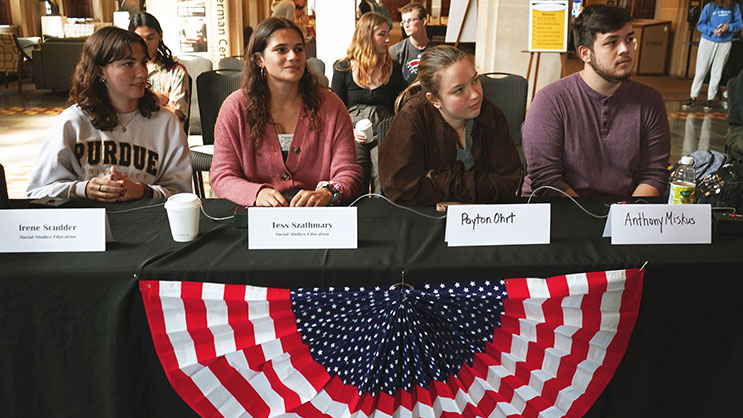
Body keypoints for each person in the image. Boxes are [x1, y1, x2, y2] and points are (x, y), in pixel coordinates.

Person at [210, 17, 362, 207]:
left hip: (318, 218)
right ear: (259, 59)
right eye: (281, 50)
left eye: (298, 49)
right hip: (258, 217)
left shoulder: (331, 106)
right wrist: (257, 193)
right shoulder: (235, 108)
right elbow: (221, 175)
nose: (293, 56)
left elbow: (349, 172)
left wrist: (327, 192)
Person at [522, 4, 670, 198]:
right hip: (559, 208)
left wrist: (628, 218)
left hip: (623, 211)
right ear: (585, 53)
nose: (625, 49)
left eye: (629, 39)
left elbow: (654, 173)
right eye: (612, 42)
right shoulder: (551, 101)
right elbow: (546, 178)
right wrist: (591, 222)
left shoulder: (650, 100)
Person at [26, 27, 192, 201]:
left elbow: (184, 195)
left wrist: (143, 191)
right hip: (87, 223)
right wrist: (84, 189)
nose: (142, 72)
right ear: (100, 71)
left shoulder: (166, 122)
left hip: (147, 221)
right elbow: (37, 191)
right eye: (128, 63)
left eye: (143, 62)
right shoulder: (74, 121)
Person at [378, 45, 523, 206]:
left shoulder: (490, 113)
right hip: (426, 219)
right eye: (459, 90)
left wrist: (440, 180)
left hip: (483, 219)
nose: (475, 95)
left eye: (475, 80)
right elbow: (399, 188)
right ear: (434, 100)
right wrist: (475, 190)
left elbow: (509, 181)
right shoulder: (413, 117)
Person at [332, 12, 405, 193]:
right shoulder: (343, 68)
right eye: (382, 34)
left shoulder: (392, 67)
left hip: (384, 129)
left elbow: (399, 105)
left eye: (388, 34)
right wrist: (350, 130)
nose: (388, 39)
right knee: (355, 176)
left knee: (383, 177)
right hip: (352, 130)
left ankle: (382, 216)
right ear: (366, 35)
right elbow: (335, 109)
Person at [129, 13, 191, 127]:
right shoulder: (124, 71)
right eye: (139, 39)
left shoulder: (176, 71)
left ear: (160, 36)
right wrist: (152, 97)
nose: (145, 44)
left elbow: (175, 116)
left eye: (150, 38)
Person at [682, 0, 742, 110]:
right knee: (701, 70)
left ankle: (710, 99)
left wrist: (727, 27)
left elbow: (739, 25)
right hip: (708, 41)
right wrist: (712, 30)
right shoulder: (709, 7)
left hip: (725, 42)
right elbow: (700, 24)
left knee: (717, 71)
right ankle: (693, 96)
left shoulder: (734, 7)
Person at [390, 2, 434, 83]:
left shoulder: (436, 51)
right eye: (403, 22)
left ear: (423, 21)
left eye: (410, 21)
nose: (406, 25)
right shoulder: (396, 51)